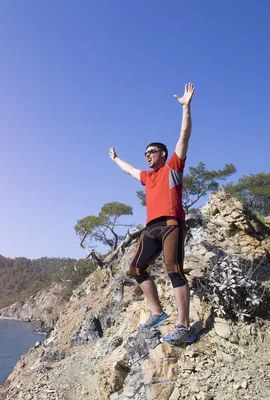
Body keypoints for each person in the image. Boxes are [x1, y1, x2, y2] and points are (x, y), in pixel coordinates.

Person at [109, 82, 195, 344]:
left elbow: (184, 136)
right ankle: (157, 312)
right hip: (151, 228)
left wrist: (186, 108)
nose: (147, 156)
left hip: (171, 225)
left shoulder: (173, 168)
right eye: (145, 153)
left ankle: (184, 326)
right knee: (136, 268)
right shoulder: (148, 177)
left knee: (174, 270)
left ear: (163, 153)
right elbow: (129, 170)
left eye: (151, 152)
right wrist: (115, 159)